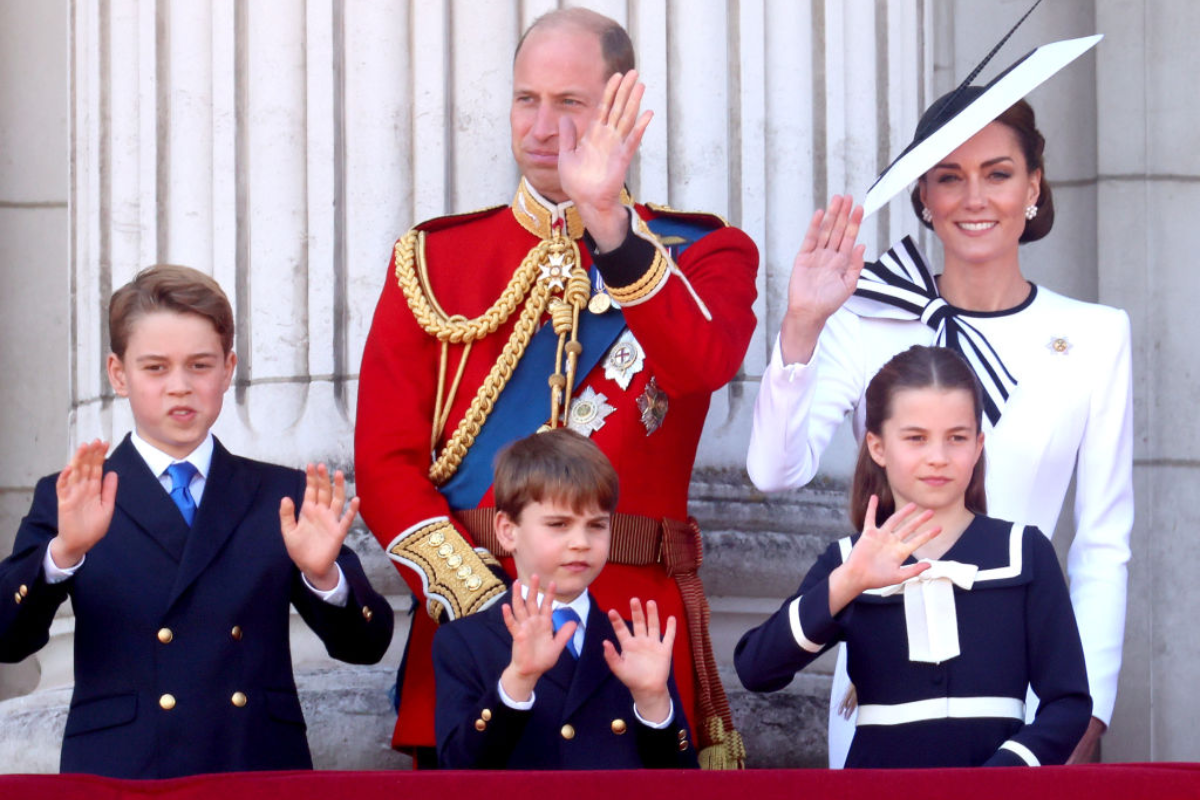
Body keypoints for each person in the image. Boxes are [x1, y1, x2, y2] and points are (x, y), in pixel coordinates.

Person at [356, 7, 757, 767]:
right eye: (526, 99)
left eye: (569, 103)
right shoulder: (434, 259)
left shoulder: (705, 253)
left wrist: (609, 225)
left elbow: (704, 363)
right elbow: (383, 463)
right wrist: (487, 608)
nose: (541, 126)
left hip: (634, 626)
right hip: (472, 633)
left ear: (621, 108)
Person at [747, 87, 1132, 765]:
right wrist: (803, 323)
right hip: (884, 700)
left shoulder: (1096, 336)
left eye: (998, 173)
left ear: (1034, 185)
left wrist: (1087, 714)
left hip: (1031, 711)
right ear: (924, 197)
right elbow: (774, 473)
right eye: (949, 178)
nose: (974, 199)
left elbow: (1103, 543)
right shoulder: (863, 321)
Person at [0, 265, 394, 778]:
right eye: (156, 368)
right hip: (124, 770)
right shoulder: (74, 493)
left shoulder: (282, 494)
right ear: (118, 374)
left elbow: (367, 647)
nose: (180, 387)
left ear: (228, 369)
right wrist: (62, 555)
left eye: (200, 365)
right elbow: (6, 640)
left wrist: (326, 579)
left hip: (251, 763)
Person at [737, 345, 1092, 767]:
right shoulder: (849, 560)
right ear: (877, 446)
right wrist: (846, 584)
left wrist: (1003, 777)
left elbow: (1068, 703)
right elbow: (757, 670)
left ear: (978, 446)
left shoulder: (1024, 551)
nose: (938, 457)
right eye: (916, 438)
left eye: (956, 438)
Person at [433, 429, 696, 769]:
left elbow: (683, 784)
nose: (581, 542)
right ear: (507, 531)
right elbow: (457, 772)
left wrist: (654, 703)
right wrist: (517, 680)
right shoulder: (465, 642)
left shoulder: (634, 644)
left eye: (597, 526)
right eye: (558, 524)